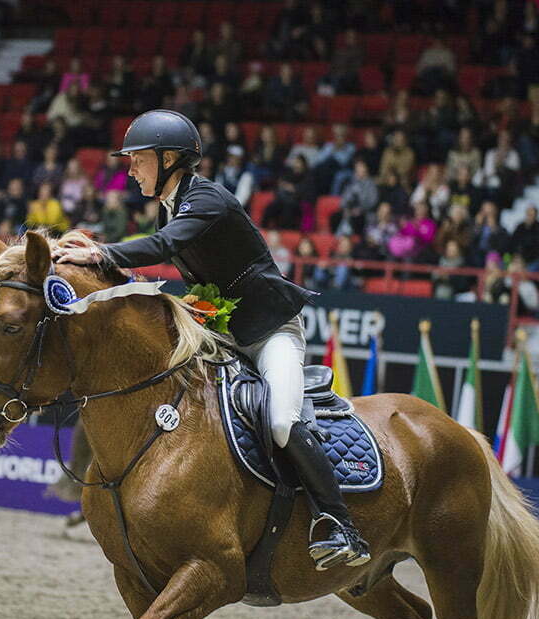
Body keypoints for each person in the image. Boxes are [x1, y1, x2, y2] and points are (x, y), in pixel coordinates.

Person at [53, 109, 371, 568]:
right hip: (222, 334)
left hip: (269, 332)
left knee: (281, 421)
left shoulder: (206, 199)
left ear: (168, 159)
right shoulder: (170, 204)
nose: (130, 169)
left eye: (138, 159)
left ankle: (340, 524)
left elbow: (162, 246)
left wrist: (101, 252)